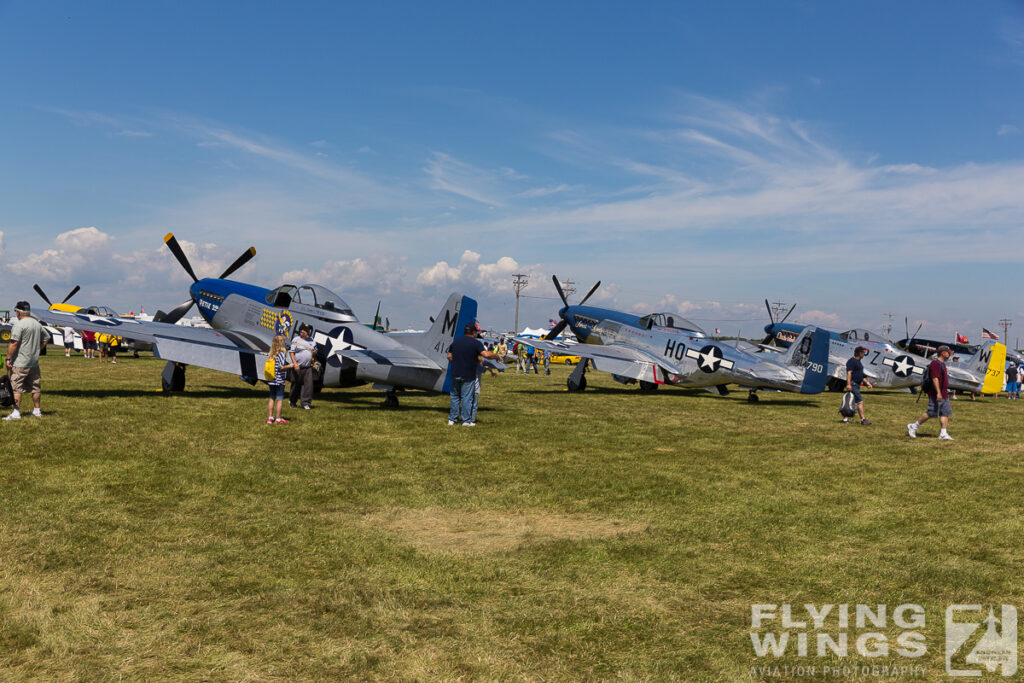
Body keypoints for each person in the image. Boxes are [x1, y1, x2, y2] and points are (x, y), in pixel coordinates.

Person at [446, 324, 497, 426]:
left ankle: (452, 419)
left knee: (455, 396)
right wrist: (496, 356)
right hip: (468, 374)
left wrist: (456, 362)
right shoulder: (476, 343)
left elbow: (449, 356)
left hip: (456, 372)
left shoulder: (456, 342)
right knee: (466, 397)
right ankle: (465, 420)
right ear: (474, 333)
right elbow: (486, 355)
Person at [4, 301, 43, 420]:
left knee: (16, 387)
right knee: (35, 387)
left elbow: (14, 343)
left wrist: (8, 358)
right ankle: (37, 411)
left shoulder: (19, 324)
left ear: (19, 312)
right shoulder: (37, 324)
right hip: (33, 362)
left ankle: (16, 412)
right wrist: (38, 349)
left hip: (20, 362)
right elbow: (46, 337)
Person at [908, 345, 954, 440]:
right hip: (936, 394)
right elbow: (935, 379)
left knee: (945, 413)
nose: (950, 354)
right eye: (948, 352)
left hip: (943, 394)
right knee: (931, 413)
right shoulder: (935, 364)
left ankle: (943, 433)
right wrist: (938, 393)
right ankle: (913, 426)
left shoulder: (942, 364)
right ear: (943, 353)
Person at [266, 334, 296, 424]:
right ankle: (278, 419)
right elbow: (281, 367)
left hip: (272, 380)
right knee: (279, 400)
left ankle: (270, 418)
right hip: (279, 381)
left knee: (271, 398)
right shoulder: (281, 354)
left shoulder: (271, 354)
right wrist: (290, 366)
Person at [287, 325, 316, 410]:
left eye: (303, 330)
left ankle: (305, 403)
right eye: (301, 330)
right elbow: (291, 352)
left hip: (308, 367)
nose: (301, 331)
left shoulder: (312, 340)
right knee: (295, 385)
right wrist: (295, 364)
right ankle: (292, 401)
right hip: (297, 366)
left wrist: (314, 352)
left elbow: (315, 351)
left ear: (308, 332)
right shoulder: (296, 340)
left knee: (308, 386)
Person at [843, 346, 873, 424]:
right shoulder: (851, 361)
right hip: (853, 384)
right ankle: (863, 420)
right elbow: (849, 373)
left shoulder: (858, 362)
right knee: (860, 401)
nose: (864, 354)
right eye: (863, 352)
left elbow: (861, 375)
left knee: (851, 402)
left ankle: (845, 419)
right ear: (860, 353)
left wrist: (867, 383)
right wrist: (849, 384)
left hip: (857, 384)